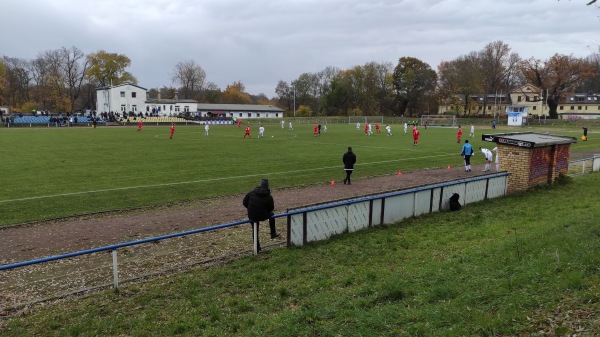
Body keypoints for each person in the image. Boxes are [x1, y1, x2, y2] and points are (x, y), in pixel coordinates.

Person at [243, 179, 280, 253]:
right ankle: (273, 233)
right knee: (272, 215)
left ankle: (257, 247)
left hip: (251, 215)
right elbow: (271, 208)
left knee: (255, 230)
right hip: (262, 215)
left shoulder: (251, 192)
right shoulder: (269, 197)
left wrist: (250, 208)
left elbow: (244, 202)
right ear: (267, 186)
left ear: (260, 184)